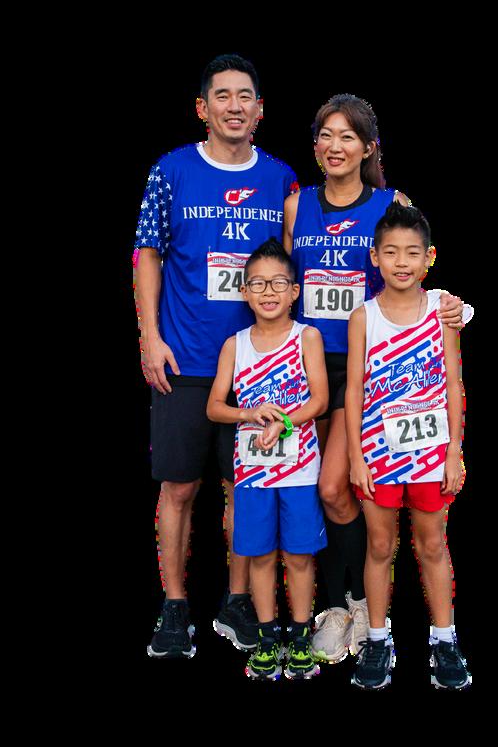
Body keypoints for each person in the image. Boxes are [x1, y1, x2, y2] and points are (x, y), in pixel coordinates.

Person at [283, 94, 471, 663]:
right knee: (311, 493)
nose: (335, 146)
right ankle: (342, 606)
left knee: (335, 487)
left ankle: (364, 607)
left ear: (368, 147)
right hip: (305, 362)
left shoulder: (392, 203)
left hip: (367, 368)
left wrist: (458, 308)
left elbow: (417, 267)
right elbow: (285, 282)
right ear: (315, 144)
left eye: (348, 136)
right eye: (326, 135)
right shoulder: (297, 205)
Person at [136, 54, 299, 659]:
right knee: (179, 489)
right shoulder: (171, 171)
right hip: (184, 360)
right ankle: (175, 605)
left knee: (245, 490)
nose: (235, 106)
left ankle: (235, 601)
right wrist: (150, 336)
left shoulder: (281, 178)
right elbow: (147, 252)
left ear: (260, 109)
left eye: (245, 96)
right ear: (202, 108)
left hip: (261, 367)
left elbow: (311, 251)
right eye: (222, 96)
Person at [345, 202, 472, 690]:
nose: (402, 262)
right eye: (392, 251)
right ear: (375, 257)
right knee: (380, 545)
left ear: (428, 258)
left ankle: (444, 639)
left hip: (431, 455)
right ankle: (378, 639)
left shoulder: (442, 310)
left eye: (412, 252)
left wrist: (454, 451)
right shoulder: (364, 316)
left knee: (433, 544)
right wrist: (357, 456)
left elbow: (453, 385)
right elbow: (354, 390)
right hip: (378, 455)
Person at [206, 238, 328, 680]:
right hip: (252, 472)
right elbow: (214, 407)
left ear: (295, 291)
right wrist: (249, 413)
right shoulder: (235, 345)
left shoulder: (306, 337)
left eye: (278, 283)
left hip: (300, 471)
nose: (268, 291)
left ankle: (300, 634)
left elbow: (319, 400)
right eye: (257, 283)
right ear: (244, 292)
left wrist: (285, 422)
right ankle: (266, 635)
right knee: (259, 555)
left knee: (298, 555)